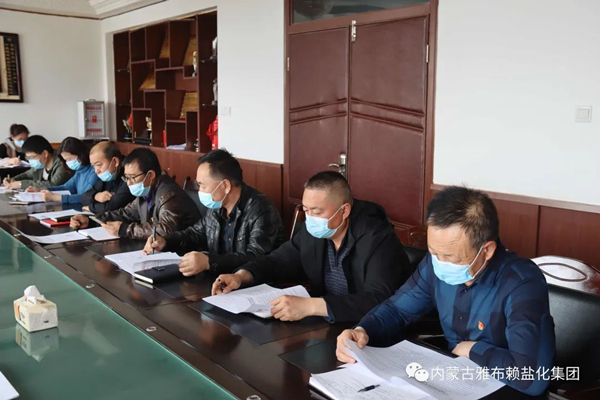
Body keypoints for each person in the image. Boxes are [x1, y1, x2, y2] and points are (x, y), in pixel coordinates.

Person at [336, 186, 555, 396]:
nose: (439, 263)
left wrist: (473, 350)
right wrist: (362, 330)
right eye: (433, 252)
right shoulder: (435, 264)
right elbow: (397, 310)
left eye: (449, 257)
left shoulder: (521, 283)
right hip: (449, 379)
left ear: (486, 250)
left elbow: (532, 377)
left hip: (502, 389)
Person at [211, 171, 412, 323]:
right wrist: (242, 276)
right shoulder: (314, 232)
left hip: (369, 329)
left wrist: (311, 306)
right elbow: (278, 260)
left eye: (317, 212)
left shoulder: (377, 238)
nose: (310, 219)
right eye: (306, 210)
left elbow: (378, 298)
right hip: (328, 324)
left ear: (344, 211)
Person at [143, 149, 286, 277]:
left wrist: (209, 261)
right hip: (220, 279)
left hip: (251, 284)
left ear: (225, 186)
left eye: (202, 186)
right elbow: (194, 234)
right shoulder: (217, 205)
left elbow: (256, 257)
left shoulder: (261, 209)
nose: (200, 191)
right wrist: (165, 241)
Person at [70, 147, 200, 239]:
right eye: (126, 177)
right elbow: (125, 213)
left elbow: (165, 230)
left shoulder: (168, 194)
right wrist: (91, 220)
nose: (128, 183)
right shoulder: (146, 191)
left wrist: (125, 230)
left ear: (150, 175)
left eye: (132, 177)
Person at [27, 137, 98, 204]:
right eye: (65, 160)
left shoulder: (94, 171)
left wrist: (56, 198)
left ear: (80, 154)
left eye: (69, 159)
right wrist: (40, 190)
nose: (67, 163)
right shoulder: (79, 171)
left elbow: (87, 197)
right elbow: (65, 188)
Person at [80, 141, 134, 213]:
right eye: (93, 166)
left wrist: (90, 208)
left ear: (115, 161)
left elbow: (112, 206)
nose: (96, 171)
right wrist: (96, 196)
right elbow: (84, 197)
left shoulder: (130, 174)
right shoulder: (110, 174)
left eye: (98, 165)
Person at [3, 135, 72, 190]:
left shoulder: (63, 162)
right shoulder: (42, 164)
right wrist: (13, 179)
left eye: (32, 157)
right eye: (28, 158)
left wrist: (21, 184)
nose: (30, 160)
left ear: (45, 153)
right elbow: (28, 174)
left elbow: (53, 184)